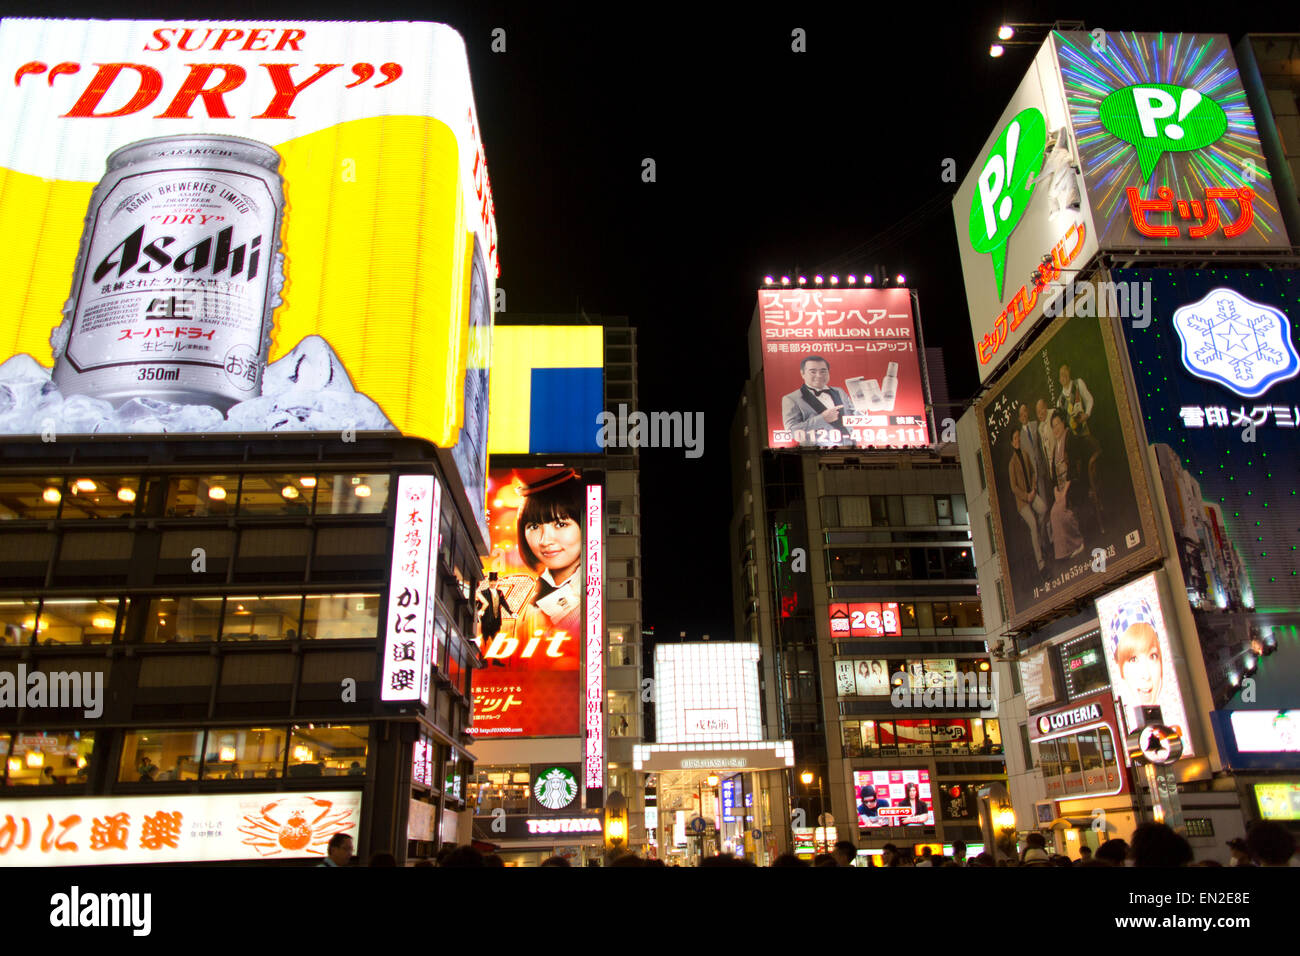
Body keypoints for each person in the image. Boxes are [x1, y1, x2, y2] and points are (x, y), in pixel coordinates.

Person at [512, 469, 585, 641]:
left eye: (560, 524)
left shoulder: (594, 595)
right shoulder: (526, 598)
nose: (545, 540)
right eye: (534, 526)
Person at [780, 356, 854, 447]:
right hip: (816, 453)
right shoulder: (791, 398)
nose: (819, 375)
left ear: (828, 372)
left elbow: (851, 414)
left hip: (850, 447)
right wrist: (822, 419)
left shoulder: (840, 391)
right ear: (802, 374)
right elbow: (791, 431)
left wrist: (863, 410)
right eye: (813, 371)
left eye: (823, 371)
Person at [1008, 428, 1048, 570]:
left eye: (1019, 437)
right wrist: (1026, 496)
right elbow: (1014, 488)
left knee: (1043, 509)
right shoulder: (1011, 464)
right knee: (1033, 526)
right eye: (1015, 438)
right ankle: (1040, 562)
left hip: (1032, 493)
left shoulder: (1025, 455)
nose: (1018, 440)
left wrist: (1033, 489)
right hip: (1022, 502)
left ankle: (1041, 541)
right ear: (1012, 443)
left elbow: (1032, 473)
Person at [1047, 410, 1085, 559]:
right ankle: (1065, 549)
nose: (1056, 429)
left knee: (1061, 511)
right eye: (1053, 426)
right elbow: (1053, 475)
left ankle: (1078, 542)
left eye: (1058, 424)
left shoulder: (1070, 439)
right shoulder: (1056, 446)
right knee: (1053, 512)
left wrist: (1064, 490)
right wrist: (1056, 490)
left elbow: (1075, 466)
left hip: (1074, 482)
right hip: (1062, 488)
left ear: (1064, 423)